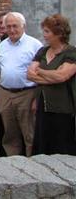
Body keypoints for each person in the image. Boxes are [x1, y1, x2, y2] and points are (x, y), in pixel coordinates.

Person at [28, 14, 76, 155]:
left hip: (63, 106)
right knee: (43, 143)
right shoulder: (43, 51)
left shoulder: (71, 52)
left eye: (47, 31)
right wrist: (51, 76)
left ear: (59, 33)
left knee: (62, 144)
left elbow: (62, 76)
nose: (44, 35)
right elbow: (30, 74)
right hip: (43, 104)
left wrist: (40, 71)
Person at [0, 12, 43, 156]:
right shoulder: (2, 45)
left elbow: (40, 74)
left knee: (29, 132)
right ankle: (13, 161)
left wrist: (37, 98)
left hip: (26, 94)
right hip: (5, 93)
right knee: (10, 133)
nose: (11, 30)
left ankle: (32, 162)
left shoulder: (35, 45)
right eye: (8, 26)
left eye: (15, 26)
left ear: (23, 26)